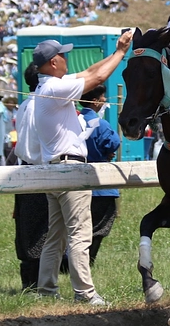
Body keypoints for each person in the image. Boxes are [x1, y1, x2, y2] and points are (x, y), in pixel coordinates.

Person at [34, 31, 133, 305]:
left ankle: (47, 290)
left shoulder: (49, 86)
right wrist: (121, 53)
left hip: (55, 169)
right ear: (53, 62)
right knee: (79, 234)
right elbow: (97, 78)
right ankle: (85, 294)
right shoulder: (55, 88)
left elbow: (90, 72)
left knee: (55, 236)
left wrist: (116, 52)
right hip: (70, 168)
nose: (67, 60)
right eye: (63, 56)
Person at [76, 85, 121, 266]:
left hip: (76, 181)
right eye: (102, 97)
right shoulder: (100, 124)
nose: (104, 100)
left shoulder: (74, 121)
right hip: (101, 185)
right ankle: (87, 261)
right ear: (95, 101)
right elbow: (113, 143)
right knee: (98, 227)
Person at [13, 63, 48, 291]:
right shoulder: (41, 105)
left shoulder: (25, 104)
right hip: (40, 169)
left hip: (24, 169)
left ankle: (30, 281)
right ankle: (36, 282)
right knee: (40, 228)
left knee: (27, 227)